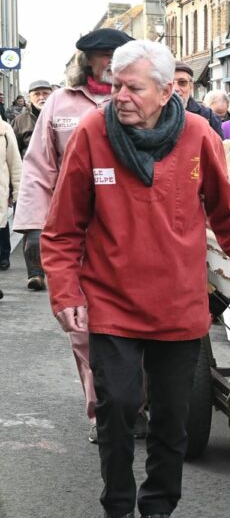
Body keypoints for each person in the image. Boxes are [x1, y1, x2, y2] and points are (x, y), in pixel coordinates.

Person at [40, 40, 230, 518]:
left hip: (178, 304)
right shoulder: (92, 135)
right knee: (118, 407)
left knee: (172, 419)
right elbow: (62, 229)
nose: (118, 96)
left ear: (168, 91)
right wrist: (65, 291)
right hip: (110, 302)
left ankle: (158, 508)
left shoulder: (197, 135)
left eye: (132, 88)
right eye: (114, 86)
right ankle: (118, 509)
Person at [14, 28, 133, 443]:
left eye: (115, 55)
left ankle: (136, 401)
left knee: (137, 325)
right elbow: (39, 168)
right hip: (77, 233)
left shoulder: (140, 99)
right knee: (84, 329)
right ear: (87, 61)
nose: (108, 63)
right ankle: (102, 411)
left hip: (131, 232)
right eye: (101, 56)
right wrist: (35, 228)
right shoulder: (61, 105)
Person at [173, 62, 223, 137]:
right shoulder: (153, 115)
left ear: (191, 86)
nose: (175, 88)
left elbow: (217, 147)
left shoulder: (208, 116)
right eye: (170, 83)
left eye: (182, 82)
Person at [12, 80, 53, 156]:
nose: (41, 97)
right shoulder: (20, 121)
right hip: (30, 166)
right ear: (29, 97)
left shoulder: (62, 117)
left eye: (45, 93)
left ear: (52, 95)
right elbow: (14, 150)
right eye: (36, 94)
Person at [0, 118, 21, 271]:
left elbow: (15, 164)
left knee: (1, 220)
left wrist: (18, 192)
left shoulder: (5, 129)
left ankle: (3, 255)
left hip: (1, 188)